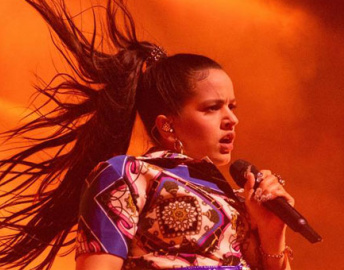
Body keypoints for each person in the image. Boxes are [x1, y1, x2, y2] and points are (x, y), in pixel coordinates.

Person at [0, 0, 294, 269]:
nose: (232, 119)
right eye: (212, 108)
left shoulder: (239, 202)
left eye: (231, 106)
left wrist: (272, 232)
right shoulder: (127, 175)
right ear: (167, 125)